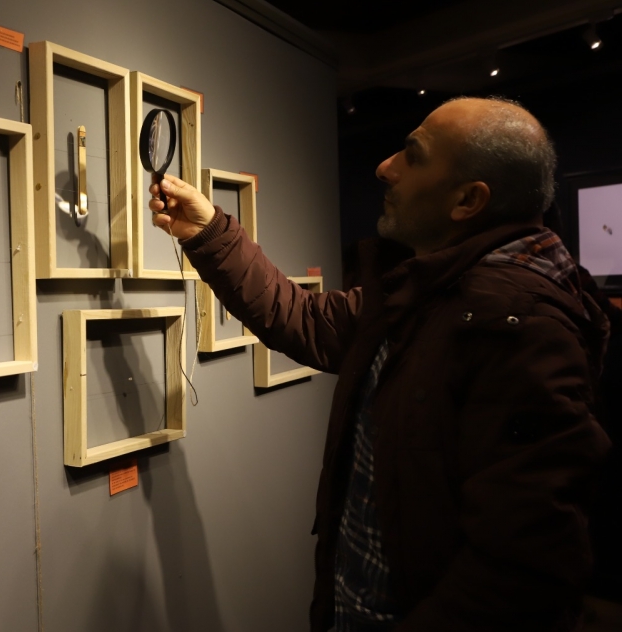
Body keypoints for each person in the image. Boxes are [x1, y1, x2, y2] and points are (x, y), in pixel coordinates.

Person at [149, 96, 611, 632]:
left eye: (413, 155)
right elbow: (308, 320)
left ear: (468, 200)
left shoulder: (519, 325)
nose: (385, 167)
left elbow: (519, 572)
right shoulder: (436, 290)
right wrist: (208, 231)